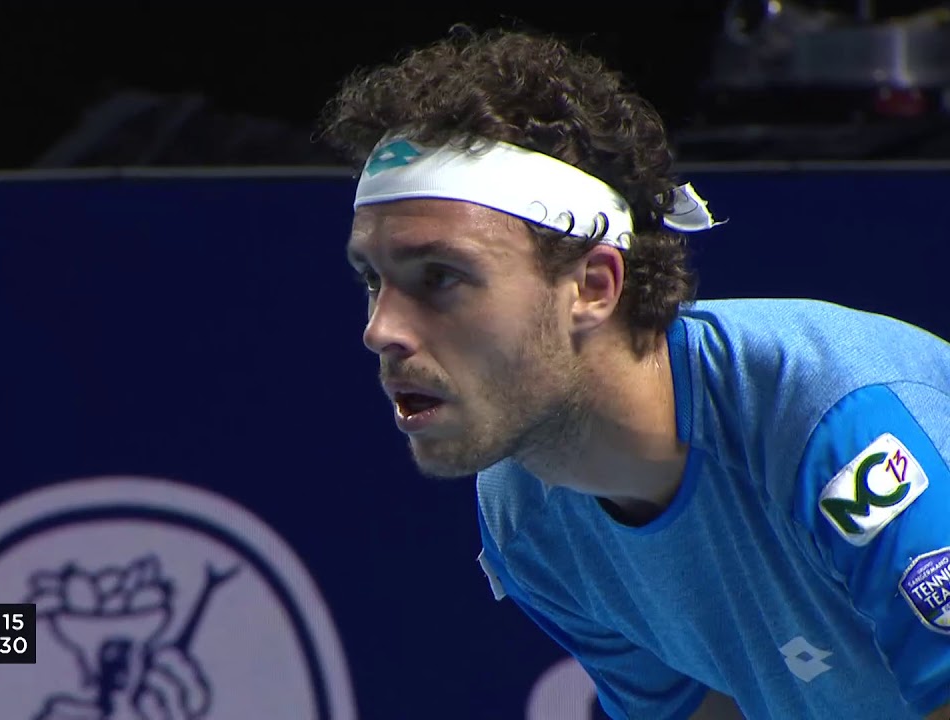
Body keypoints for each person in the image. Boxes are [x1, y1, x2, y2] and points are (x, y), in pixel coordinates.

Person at [320, 26, 950, 720]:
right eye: (372, 279)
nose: (381, 329)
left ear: (593, 286)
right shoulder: (523, 514)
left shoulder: (833, 419)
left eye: (440, 276)